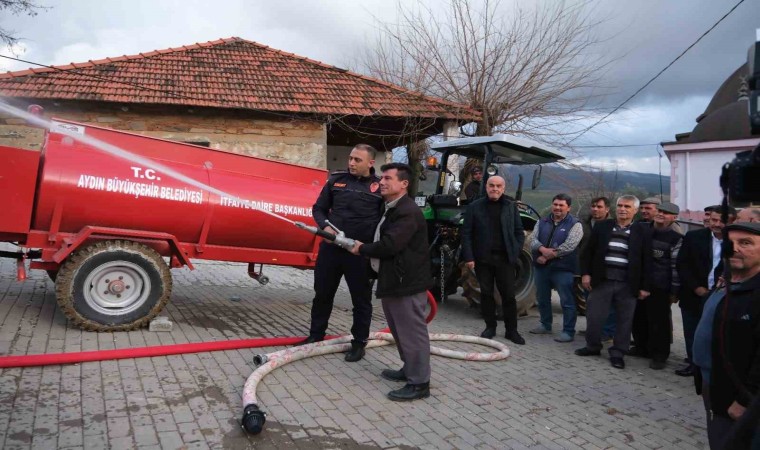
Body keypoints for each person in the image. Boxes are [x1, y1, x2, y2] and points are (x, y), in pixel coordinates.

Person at [350, 162, 433, 401]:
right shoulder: (392, 207)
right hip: (394, 281)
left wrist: (361, 248)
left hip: (405, 284)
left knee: (412, 333)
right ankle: (409, 370)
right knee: (400, 331)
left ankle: (420, 384)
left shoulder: (407, 211)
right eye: (382, 178)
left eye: (388, 178)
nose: (382, 182)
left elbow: (390, 245)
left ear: (404, 184)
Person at [298, 144, 383, 362]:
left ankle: (358, 343)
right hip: (331, 249)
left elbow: (386, 221)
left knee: (361, 300)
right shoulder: (336, 181)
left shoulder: (379, 187)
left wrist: (373, 248)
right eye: (351, 159)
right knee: (322, 294)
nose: (352, 163)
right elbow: (318, 208)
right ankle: (316, 336)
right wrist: (324, 227)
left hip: (359, 253)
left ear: (371, 163)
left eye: (357, 160)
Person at [691, 222, 760, 449]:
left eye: (746, 243)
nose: (735, 249)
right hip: (714, 382)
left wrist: (745, 401)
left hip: (739, 398)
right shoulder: (729, 280)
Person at [575, 195, 652, 369]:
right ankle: (593, 346)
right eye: (620, 205)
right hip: (602, 281)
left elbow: (647, 261)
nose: (623, 209)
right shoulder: (603, 227)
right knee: (594, 317)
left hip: (627, 284)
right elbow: (588, 253)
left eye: (627, 206)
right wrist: (585, 274)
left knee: (624, 321)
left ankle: (618, 353)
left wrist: (645, 287)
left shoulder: (643, 231)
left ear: (635, 210)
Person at [461, 175, 526, 345]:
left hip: (505, 259)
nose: (495, 189)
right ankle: (490, 327)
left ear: (503, 188)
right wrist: (469, 256)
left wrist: (515, 250)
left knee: (509, 296)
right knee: (487, 294)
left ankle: (512, 331)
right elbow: (466, 233)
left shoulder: (511, 207)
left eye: (498, 186)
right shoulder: (475, 207)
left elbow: (519, 231)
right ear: (486, 187)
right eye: (492, 185)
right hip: (483, 259)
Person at [675, 206, 736, 377]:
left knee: (717, 333)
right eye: (713, 220)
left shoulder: (737, 242)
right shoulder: (694, 237)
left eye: (721, 221)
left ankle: (715, 368)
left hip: (722, 296)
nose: (716, 224)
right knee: (691, 331)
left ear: (732, 222)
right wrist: (697, 288)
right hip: (694, 293)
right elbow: (682, 264)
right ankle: (694, 365)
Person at [630, 202, 683, 370]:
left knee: (659, 322)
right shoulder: (643, 231)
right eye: (659, 211)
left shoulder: (677, 239)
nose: (661, 214)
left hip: (660, 286)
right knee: (638, 318)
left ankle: (659, 355)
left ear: (674, 218)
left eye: (666, 213)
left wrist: (674, 290)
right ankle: (641, 348)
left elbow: (676, 267)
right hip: (639, 283)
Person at [528, 193, 583, 342]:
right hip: (542, 268)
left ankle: (568, 331)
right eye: (555, 204)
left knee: (566, 300)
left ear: (568, 208)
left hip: (562, 268)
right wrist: (541, 249)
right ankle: (545, 325)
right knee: (542, 297)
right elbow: (532, 238)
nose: (557, 208)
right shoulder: (542, 221)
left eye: (561, 205)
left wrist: (545, 255)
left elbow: (570, 245)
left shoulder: (575, 224)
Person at [578, 196, 616, 341]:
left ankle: (608, 332)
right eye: (593, 206)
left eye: (599, 207)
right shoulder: (584, 224)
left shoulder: (613, 225)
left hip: (606, 270)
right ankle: (593, 329)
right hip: (587, 269)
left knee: (609, 305)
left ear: (607, 209)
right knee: (590, 302)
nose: (595, 209)